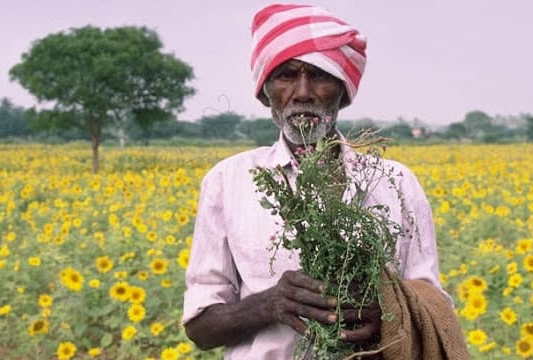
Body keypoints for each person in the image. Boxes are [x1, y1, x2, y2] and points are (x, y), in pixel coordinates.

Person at [183, 4, 468, 359]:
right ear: (265, 92)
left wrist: (388, 311)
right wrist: (270, 304)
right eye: (286, 75)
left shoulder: (396, 183)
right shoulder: (228, 181)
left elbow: (433, 306)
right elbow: (200, 327)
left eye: (320, 75)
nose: (303, 92)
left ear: (343, 91)